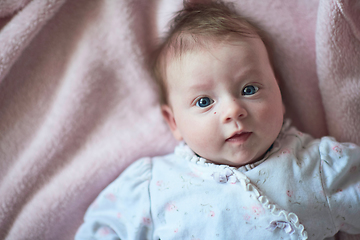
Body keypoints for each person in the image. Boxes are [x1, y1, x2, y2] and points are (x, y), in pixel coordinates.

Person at [75, 1, 360, 239]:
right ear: (173, 122)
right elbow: (103, 229)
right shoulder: (155, 186)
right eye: (204, 102)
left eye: (249, 89)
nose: (232, 111)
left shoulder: (318, 167)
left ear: (280, 97)